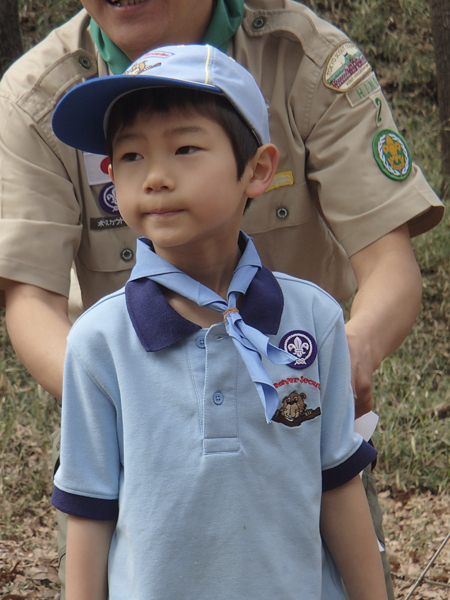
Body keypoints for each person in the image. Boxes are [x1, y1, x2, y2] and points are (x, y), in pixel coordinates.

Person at [0, 1, 444, 597]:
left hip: (297, 404)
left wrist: (333, 361)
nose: (155, 178)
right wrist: (131, 396)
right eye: (131, 157)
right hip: (139, 446)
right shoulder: (35, 96)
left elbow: (389, 263)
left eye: (185, 149)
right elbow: (31, 301)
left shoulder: (305, 56)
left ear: (258, 170)